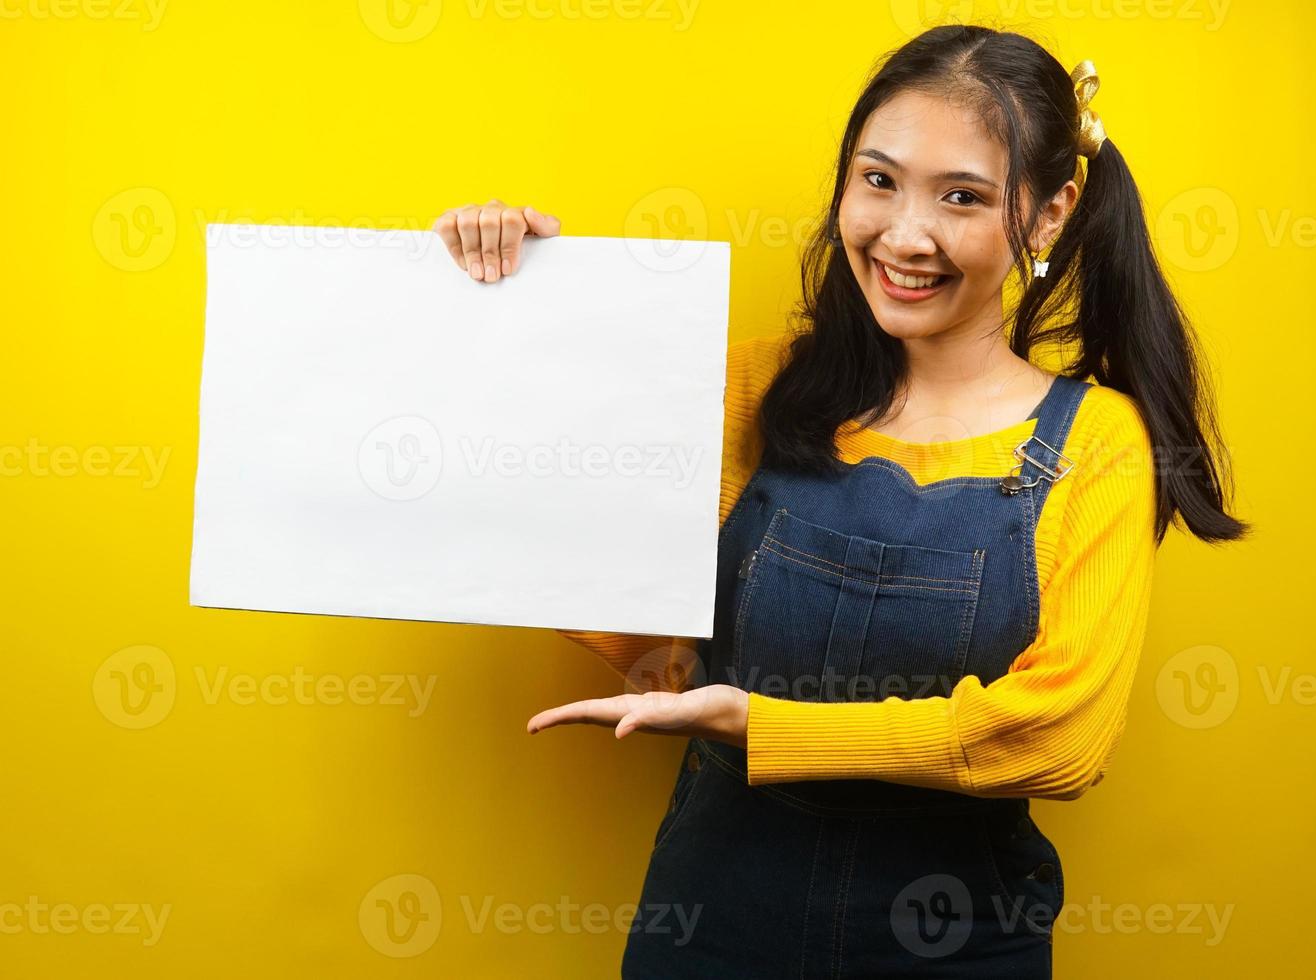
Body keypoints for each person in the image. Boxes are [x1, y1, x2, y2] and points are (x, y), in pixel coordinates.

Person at [434, 23, 1248, 978]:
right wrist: (514, 302)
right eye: (878, 180)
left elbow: (1058, 740)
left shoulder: (1096, 444)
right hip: (714, 919)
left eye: (962, 198)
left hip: (955, 939)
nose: (904, 236)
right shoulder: (756, 390)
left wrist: (763, 725)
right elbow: (569, 553)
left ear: (1050, 212)